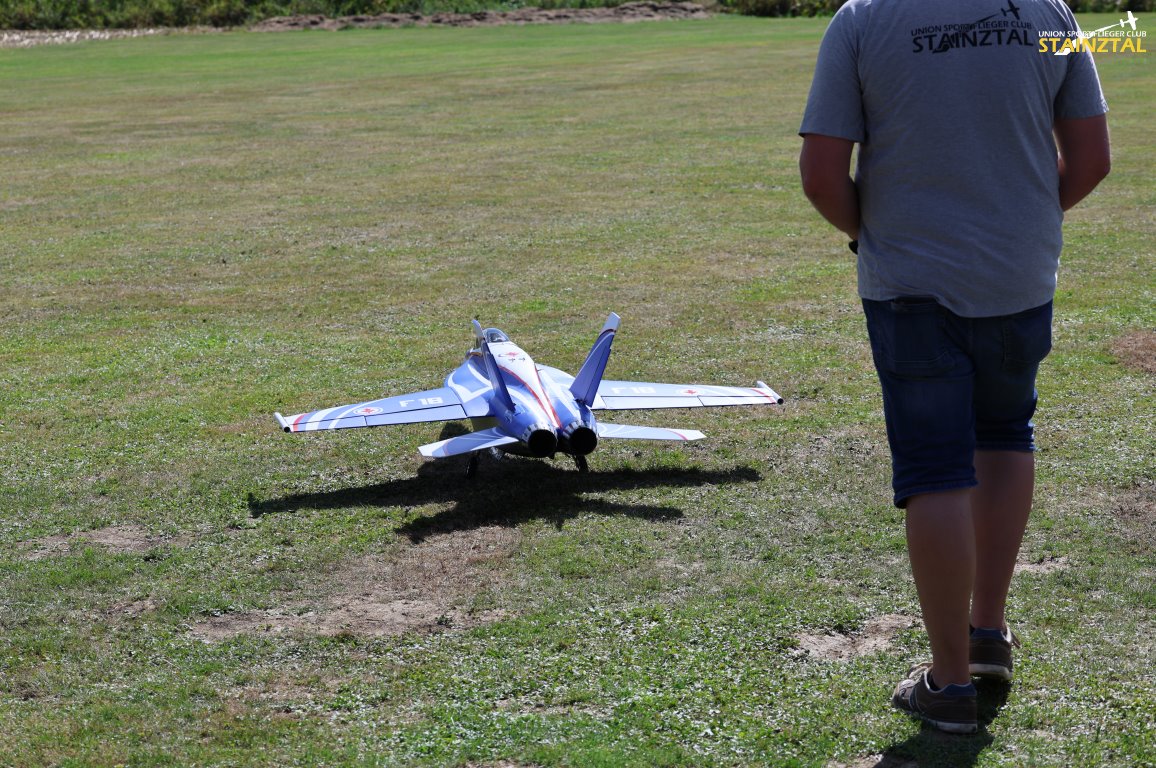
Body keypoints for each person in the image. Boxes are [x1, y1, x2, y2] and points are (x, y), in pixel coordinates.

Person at [797, 0, 1111, 734]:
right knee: (1005, 435)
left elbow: (821, 173)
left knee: (935, 469)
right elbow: (1093, 159)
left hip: (909, 285)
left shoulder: (861, 20)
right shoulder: (1049, 11)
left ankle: (949, 683)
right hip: (1018, 278)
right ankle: (987, 633)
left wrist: (871, 235)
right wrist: (1022, 225)